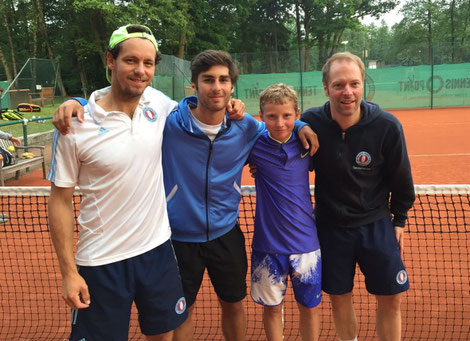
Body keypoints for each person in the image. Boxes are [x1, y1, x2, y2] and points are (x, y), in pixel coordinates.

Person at [53, 49, 319, 340]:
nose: (216, 87)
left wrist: (303, 124)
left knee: (233, 304)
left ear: (232, 86)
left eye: (223, 80)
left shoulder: (246, 127)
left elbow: (279, 129)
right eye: (208, 80)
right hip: (177, 237)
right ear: (193, 85)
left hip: (226, 233)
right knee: (182, 310)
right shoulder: (170, 119)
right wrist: (76, 101)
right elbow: (120, 93)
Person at [47, 24, 188, 341]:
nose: (140, 71)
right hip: (101, 262)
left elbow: (204, 113)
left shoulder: (158, 103)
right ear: (110, 60)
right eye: (131, 61)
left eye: (148, 63)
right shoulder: (74, 124)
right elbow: (59, 200)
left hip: (157, 250)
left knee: (164, 334)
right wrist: (69, 273)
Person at [301, 52, 415, 341]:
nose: (347, 92)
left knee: (390, 299)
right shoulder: (310, 121)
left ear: (364, 84)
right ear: (326, 88)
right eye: (339, 85)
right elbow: (281, 146)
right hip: (329, 227)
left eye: (354, 83)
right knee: (339, 297)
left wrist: (398, 221)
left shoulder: (387, 126)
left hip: (376, 224)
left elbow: (402, 180)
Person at [247, 83, 321, 341]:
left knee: (309, 308)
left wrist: (302, 127)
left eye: (287, 116)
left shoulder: (306, 144)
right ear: (261, 117)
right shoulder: (253, 145)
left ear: (297, 114)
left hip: (306, 244)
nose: (280, 122)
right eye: (272, 116)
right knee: (272, 309)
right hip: (268, 245)